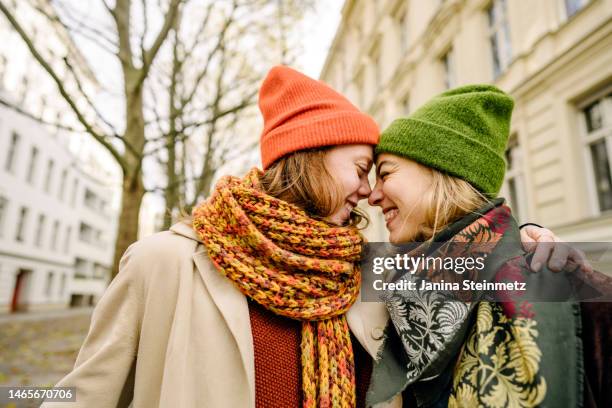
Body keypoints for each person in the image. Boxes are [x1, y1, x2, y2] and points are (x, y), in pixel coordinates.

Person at [43, 68, 569, 408]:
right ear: (310, 157)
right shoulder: (165, 263)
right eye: (362, 169)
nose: (367, 193)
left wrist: (522, 235)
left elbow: (466, 262)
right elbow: (77, 394)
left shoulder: (366, 268)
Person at [365, 84, 611, 407]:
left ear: (441, 170)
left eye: (385, 174)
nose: (372, 195)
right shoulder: (396, 296)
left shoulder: (575, 291)